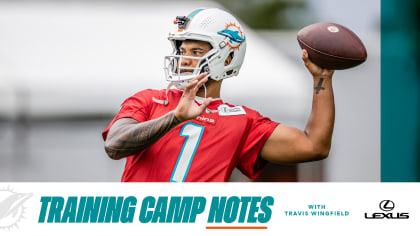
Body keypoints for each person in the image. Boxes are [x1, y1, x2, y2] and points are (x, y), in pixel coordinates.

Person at [102, 8, 334, 182]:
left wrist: (321, 78)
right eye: (182, 51)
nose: (184, 59)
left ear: (228, 58)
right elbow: (114, 145)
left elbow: (314, 146)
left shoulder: (242, 120)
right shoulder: (149, 99)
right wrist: (174, 118)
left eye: (196, 51)